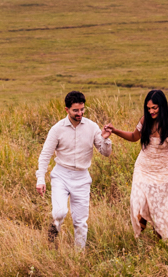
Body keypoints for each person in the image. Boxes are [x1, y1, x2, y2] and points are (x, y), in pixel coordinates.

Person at [103, 88, 168, 241]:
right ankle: (141, 230)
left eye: (154, 108)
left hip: (162, 171)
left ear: (162, 107)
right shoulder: (145, 120)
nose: (151, 111)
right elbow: (133, 137)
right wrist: (115, 130)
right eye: (148, 108)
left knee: (158, 208)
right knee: (136, 201)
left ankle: (163, 239)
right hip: (143, 167)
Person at [35, 90, 113, 249]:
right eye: (75, 110)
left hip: (82, 177)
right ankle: (55, 227)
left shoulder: (91, 127)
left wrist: (105, 139)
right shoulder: (57, 129)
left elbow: (106, 153)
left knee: (80, 221)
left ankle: (79, 256)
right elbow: (45, 155)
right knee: (60, 212)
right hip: (61, 175)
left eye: (82, 109)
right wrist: (40, 179)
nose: (80, 113)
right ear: (67, 110)